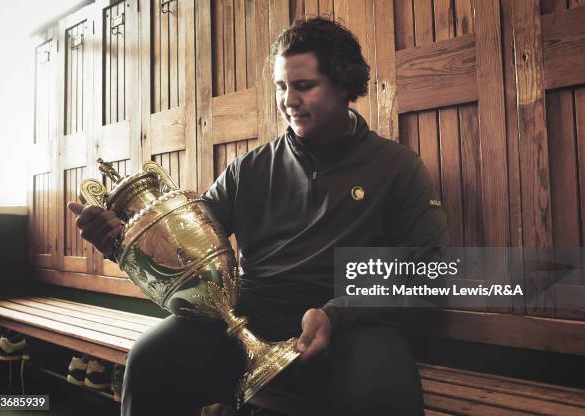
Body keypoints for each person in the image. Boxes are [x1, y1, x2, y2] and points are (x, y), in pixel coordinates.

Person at [68, 17, 447, 416]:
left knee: (381, 402)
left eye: (303, 86)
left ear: (344, 84)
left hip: (349, 322)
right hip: (251, 313)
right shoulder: (248, 168)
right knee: (149, 363)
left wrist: (338, 313)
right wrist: (124, 242)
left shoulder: (398, 167)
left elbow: (431, 268)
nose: (288, 101)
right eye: (282, 87)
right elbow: (189, 247)